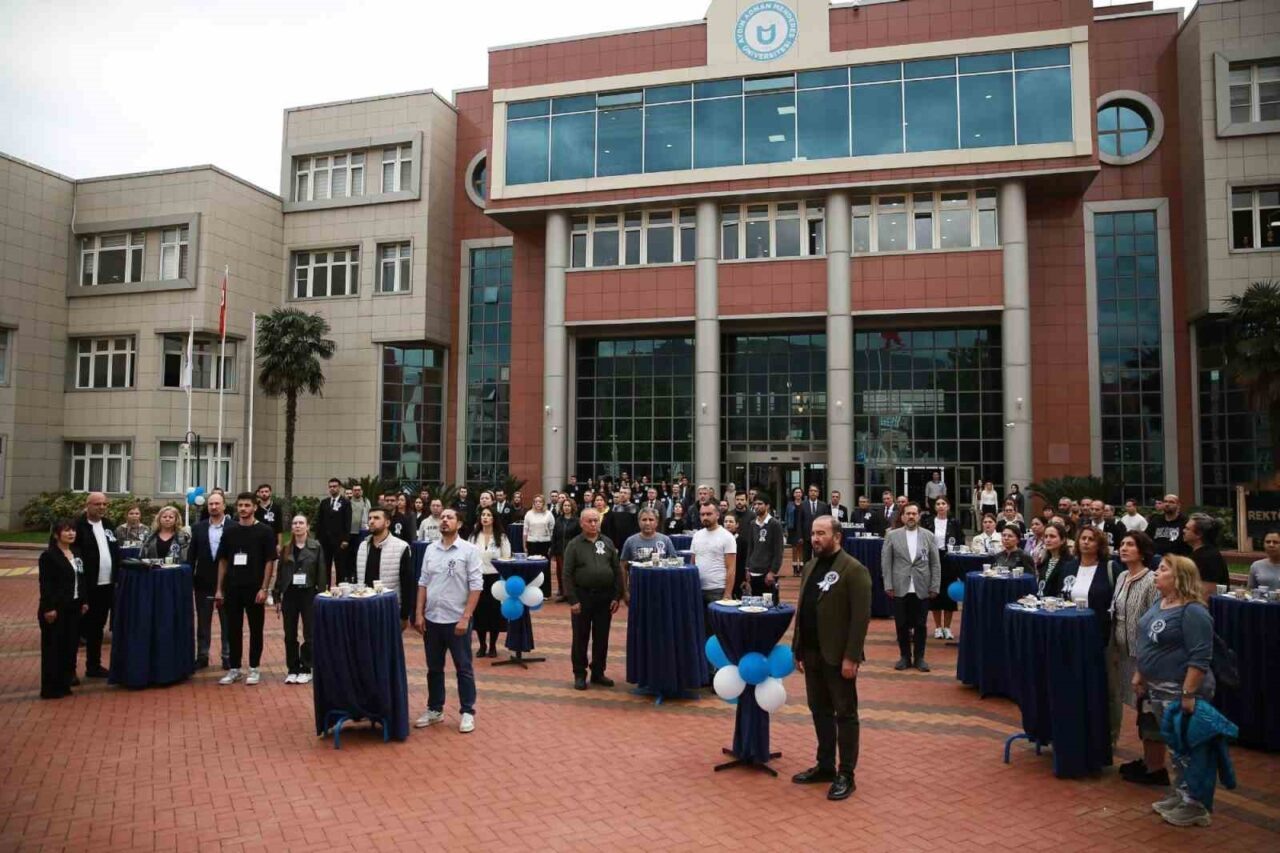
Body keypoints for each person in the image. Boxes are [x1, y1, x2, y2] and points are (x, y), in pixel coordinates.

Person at [1134, 555, 1218, 827]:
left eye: (1162, 570)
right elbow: (1148, 639)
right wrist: (1141, 672)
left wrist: (1188, 694)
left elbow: (1200, 657)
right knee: (1175, 747)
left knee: (1191, 748)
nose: (1156, 574)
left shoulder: (1193, 611)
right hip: (1158, 689)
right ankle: (1181, 793)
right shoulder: (1161, 603)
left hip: (1181, 692)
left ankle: (1196, 805)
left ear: (1179, 577)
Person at [791, 516, 870, 802]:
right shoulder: (810, 567)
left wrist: (852, 657)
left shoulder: (854, 570)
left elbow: (860, 619)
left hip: (838, 657)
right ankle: (824, 765)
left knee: (845, 714)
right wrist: (797, 648)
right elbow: (803, 609)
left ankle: (846, 773)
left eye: (821, 533)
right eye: (812, 533)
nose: (814, 538)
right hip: (812, 653)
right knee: (819, 710)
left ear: (837, 536)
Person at [413, 508, 482, 734]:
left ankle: (467, 712)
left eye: (449, 517)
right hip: (433, 619)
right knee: (434, 668)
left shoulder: (469, 550)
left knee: (463, 667)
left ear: (459, 524)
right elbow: (423, 582)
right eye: (442, 517)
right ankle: (435, 709)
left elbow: (476, 586)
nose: (444, 520)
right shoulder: (430, 550)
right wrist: (419, 613)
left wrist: (466, 617)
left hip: (457, 620)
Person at [1109, 532, 1163, 783]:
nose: (1124, 548)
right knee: (1140, 708)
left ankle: (1156, 767)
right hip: (1123, 653)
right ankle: (1148, 760)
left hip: (1146, 656)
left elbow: (1156, 619)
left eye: (1130, 544)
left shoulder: (1152, 581)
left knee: (1149, 708)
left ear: (1142, 551)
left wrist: (1147, 657)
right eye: (1122, 544)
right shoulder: (1121, 576)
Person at [215, 492, 277, 686]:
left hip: (255, 588)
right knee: (233, 629)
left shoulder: (265, 531)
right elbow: (223, 560)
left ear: (254, 507)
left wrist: (264, 588)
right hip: (232, 588)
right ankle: (234, 669)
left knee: (255, 629)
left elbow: (269, 561)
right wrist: (219, 589)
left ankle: (254, 668)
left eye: (247, 505)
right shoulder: (230, 531)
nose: (243, 509)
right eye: (240, 505)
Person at [562, 507, 625, 690]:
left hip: (604, 597)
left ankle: (598, 672)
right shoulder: (574, 545)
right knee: (580, 637)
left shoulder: (607, 543)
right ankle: (580, 673)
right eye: (589, 521)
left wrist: (616, 596)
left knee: (602, 637)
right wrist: (573, 600)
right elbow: (567, 574)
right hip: (583, 596)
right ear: (581, 523)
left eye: (596, 520)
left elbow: (616, 570)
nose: (593, 524)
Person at [881, 503, 940, 672]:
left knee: (921, 624)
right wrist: (888, 584)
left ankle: (920, 658)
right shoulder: (892, 536)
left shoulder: (928, 536)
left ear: (919, 516)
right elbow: (886, 563)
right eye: (908, 514)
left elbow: (935, 564)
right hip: (900, 587)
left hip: (922, 587)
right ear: (902, 517)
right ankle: (904, 657)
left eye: (915, 513)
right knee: (901, 624)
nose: (911, 516)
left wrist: (935, 585)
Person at [274, 515, 326, 684]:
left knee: (309, 633)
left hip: (308, 593)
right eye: (295, 523)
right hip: (290, 593)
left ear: (307, 526)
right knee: (289, 633)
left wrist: (322, 594)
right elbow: (280, 572)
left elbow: (322, 573)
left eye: (301, 523)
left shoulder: (316, 547)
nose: (297, 526)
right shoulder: (286, 548)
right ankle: (292, 668)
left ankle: (306, 667)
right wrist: (276, 594)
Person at [38, 519, 87, 699]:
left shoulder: (76, 553)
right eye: (66, 531)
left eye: (73, 530)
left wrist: (84, 600)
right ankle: (51, 688)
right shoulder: (49, 556)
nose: (71, 534)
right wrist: (48, 608)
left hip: (74, 607)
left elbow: (81, 579)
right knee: (53, 649)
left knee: (69, 647)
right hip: (55, 610)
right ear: (56, 534)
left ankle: (64, 683)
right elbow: (46, 584)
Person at [75, 492, 120, 679]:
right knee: (79, 629)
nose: (101, 507)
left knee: (97, 628)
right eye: (97, 504)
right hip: (87, 587)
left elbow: (115, 550)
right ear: (87, 505)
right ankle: (69, 670)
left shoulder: (108, 525)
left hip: (106, 585)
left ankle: (93, 665)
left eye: (104, 504)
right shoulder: (78, 526)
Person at [189, 492, 231, 670]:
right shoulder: (198, 528)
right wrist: (189, 578)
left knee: (228, 622)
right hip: (203, 581)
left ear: (224, 506)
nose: (213, 507)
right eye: (210, 504)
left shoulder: (233, 527)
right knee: (203, 621)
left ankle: (228, 655)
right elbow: (191, 556)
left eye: (217, 503)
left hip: (228, 582)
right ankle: (202, 655)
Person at [356, 508, 415, 625]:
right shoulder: (363, 545)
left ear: (387, 523)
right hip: (365, 605)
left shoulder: (401, 547)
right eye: (370, 518)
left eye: (376, 518)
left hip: (388, 608)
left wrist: (404, 614)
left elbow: (407, 583)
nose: (371, 521)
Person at [1059, 527, 1113, 644]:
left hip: (1097, 630)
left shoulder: (1109, 568)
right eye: (1083, 538)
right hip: (1069, 627)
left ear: (1099, 545)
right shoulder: (1069, 567)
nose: (1086, 542)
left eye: (1091, 539)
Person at [470, 506, 511, 658]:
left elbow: (507, 557)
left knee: (494, 613)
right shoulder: (473, 536)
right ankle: (482, 645)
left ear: (493, 518)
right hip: (478, 579)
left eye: (488, 515)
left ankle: (493, 645)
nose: (485, 517)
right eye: (483, 515)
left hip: (495, 579)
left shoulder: (501, 537)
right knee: (479, 612)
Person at [925, 498, 963, 641]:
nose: (941, 506)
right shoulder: (928, 522)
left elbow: (960, 541)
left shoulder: (954, 523)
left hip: (949, 560)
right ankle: (937, 628)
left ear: (948, 506)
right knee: (935, 592)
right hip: (933, 559)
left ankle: (947, 628)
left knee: (948, 594)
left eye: (943, 504)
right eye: (938, 504)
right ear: (935, 507)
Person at [691, 502, 737, 609]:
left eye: (708, 514)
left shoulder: (727, 537)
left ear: (717, 515)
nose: (705, 517)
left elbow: (731, 568)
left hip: (718, 590)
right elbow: (692, 563)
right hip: (698, 589)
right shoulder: (697, 536)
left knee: (716, 625)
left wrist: (728, 593)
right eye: (702, 514)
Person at [620, 508, 676, 588]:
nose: (647, 523)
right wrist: (625, 590)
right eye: (644, 520)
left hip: (661, 586)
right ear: (639, 522)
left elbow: (674, 563)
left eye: (651, 520)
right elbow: (623, 566)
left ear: (657, 522)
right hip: (637, 587)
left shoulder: (665, 540)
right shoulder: (630, 541)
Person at [744, 496, 786, 599]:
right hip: (753, 570)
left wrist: (773, 572)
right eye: (755, 504)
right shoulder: (753, 524)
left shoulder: (774, 524)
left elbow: (779, 551)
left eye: (760, 504)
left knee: (769, 606)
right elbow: (750, 547)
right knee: (754, 605)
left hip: (767, 573)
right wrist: (747, 568)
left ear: (767, 506)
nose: (757, 506)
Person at [316, 477, 353, 584]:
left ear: (340, 488)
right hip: (325, 541)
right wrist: (317, 539)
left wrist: (346, 539)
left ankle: (339, 587)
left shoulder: (345, 503)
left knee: (340, 566)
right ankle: (325, 587)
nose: (332, 489)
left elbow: (347, 522)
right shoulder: (324, 503)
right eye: (330, 487)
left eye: (335, 486)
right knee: (325, 565)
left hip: (340, 541)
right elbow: (319, 522)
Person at [1184, 514, 1229, 598]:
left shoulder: (1210, 557)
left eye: (1187, 529)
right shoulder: (1195, 554)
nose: (1183, 530)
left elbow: (1208, 593)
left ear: (1199, 534)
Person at [522, 495, 555, 596]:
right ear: (533, 503)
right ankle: (532, 591)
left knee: (545, 568)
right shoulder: (528, 514)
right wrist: (524, 545)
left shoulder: (549, 514)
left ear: (543, 503)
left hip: (545, 543)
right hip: (532, 543)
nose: (538, 503)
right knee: (532, 567)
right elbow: (525, 531)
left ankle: (545, 592)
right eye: (536, 501)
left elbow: (552, 531)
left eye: (540, 501)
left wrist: (551, 546)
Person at [551, 496, 580, 602]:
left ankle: (571, 594)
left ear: (572, 507)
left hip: (572, 551)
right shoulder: (558, 520)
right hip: (559, 551)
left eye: (568, 505)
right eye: (564, 505)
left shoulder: (577, 521)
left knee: (571, 573)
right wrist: (553, 550)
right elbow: (554, 536)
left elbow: (579, 537)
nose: (566, 507)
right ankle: (563, 593)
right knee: (560, 572)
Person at [1037, 521, 1076, 594]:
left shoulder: (1070, 563)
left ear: (1063, 540)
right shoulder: (1044, 561)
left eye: (1052, 536)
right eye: (1046, 536)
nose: (1048, 540)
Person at [799, 485, 830, 563]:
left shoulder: (823, 505)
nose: (813, 493)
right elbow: (799, 521)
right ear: (808, 493)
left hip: (820, 536)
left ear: (818, 493)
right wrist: (800, 536)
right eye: (811, 491)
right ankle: (807, 574)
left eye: (815, 491)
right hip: (806, 536)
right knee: (806, 558)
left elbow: (826, 521)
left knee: (819, 556)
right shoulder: (802, 505)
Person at [346, 483, 370, 581]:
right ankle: (348, 576)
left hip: (362, 532)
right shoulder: (347, 502)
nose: (357, 491)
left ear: (362, 491)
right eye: (355, 490)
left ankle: (357, 577)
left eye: (359, 490)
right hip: (350, 533)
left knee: (359, 555)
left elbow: (369, 514)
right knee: (349, 556)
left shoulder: (366, 502)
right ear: (352, 492)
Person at [254, 483, 284, 555]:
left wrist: (279, 544)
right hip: (258, 541)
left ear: (270, 492)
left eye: (266, 491)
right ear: (258, 493)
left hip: (273, 540)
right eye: (262, 492)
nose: (264, 493)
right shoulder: (255, 507)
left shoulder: (276, 507)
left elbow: (279, 527)